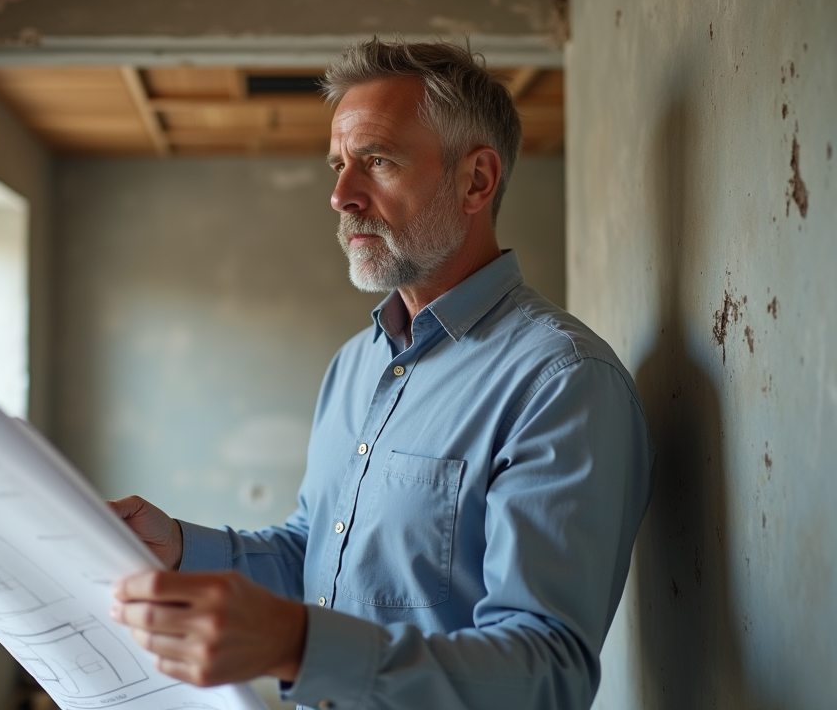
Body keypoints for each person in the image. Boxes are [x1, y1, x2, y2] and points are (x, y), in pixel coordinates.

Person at [107, 39, 655, 710]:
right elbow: (316, 555)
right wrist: (180, 550)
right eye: (339, 165)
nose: (340, 195)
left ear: (476, 181)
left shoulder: (561, 381)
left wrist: (299, 646)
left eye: (377, 161)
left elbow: (547, 673)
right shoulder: (355, 363)